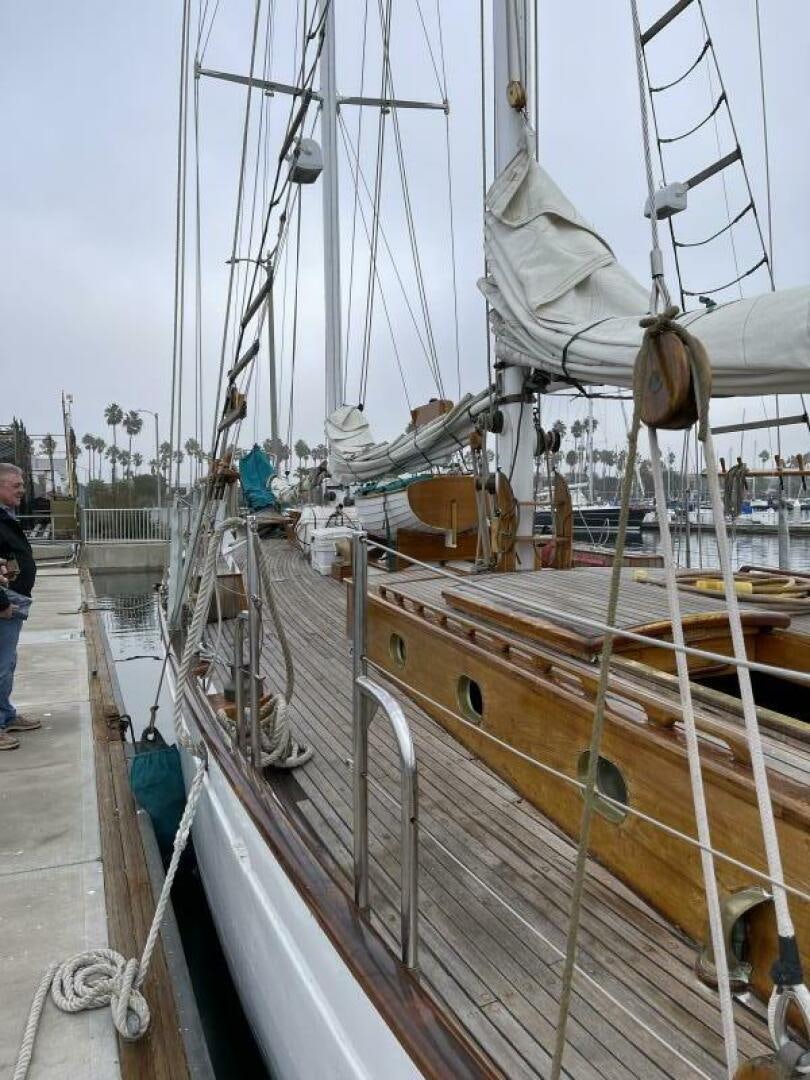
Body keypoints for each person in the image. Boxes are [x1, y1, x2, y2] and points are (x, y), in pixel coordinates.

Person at [0, 463, 42, 750]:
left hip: (14, 602)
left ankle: (6, 715)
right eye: (16, 486)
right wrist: (1, 603)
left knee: (7, 664)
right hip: (4, 605)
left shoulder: (7, 517)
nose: (22, 491)